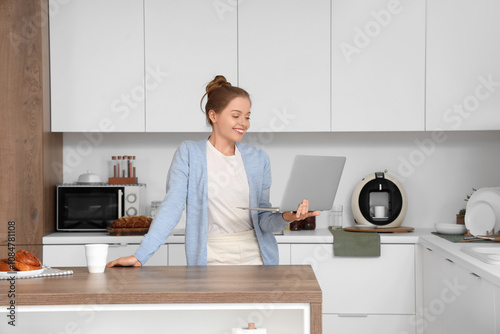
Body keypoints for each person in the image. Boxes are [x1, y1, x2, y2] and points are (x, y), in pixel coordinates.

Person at [106, 75, 319, 267]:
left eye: (247, 116)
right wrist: (140, 255)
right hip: (211, 257)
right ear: (213, 116)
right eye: (236, 115)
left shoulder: (258, 158)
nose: (243, 123)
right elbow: (171, 208)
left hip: (258, 257)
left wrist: (288, 216)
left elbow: (263, 220)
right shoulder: (189, 153)